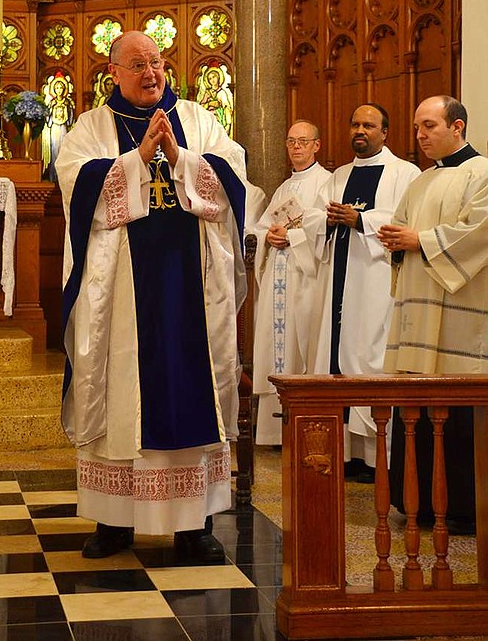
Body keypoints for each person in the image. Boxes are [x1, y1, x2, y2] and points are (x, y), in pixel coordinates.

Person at [55, 30, 247, 564]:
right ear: (113, 72)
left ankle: (194, 524)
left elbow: (234, 175)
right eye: (137, 63)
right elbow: (74, 184)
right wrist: (135, 161)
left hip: (191, 284)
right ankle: (114, 521)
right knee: (120, 389)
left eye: (157, 61)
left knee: (193, 382)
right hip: (122, 294)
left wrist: (181, 158)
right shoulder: (92, 127)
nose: (151, 72)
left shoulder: (198, 118)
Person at [379, 95, 488, 535]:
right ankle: (417, 501)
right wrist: (396, 241)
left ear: (457, 126)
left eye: (430, 126)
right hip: (417, 319)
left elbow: (478, 233)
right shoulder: (420, 182)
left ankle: (463, 506)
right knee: (416, 410)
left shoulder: (481, 174)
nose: (420, 135)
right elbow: (405, 231)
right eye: (418, 128)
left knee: (458, 413)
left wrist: (418, 240)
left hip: (461, 320)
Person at [298, 103, 420, 480]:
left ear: (385, 132)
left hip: (376, 283)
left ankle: (376, 456)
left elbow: (407, 221)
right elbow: (313, 217)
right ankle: (344, 453)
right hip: (339, 278)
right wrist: (330, 218)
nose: (360, 131)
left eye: (368, 125)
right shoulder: (338, 176)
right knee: (335, 357)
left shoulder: (406, 173)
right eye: (355, 124)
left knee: (370, 357)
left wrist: (361, 218)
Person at [252, 120, 331, 445]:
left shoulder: (327, 183)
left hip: (306, 278)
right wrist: (268, 235)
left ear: (317, 145)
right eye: (291, 142)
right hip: (278, 276)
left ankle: (305, 428)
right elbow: (260, 225)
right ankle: (274, 432)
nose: (296, 147)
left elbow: (326, 231)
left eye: (303, 141)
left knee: (306, 343)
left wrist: (294, 236)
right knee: (275, 345)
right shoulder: (284, 188)